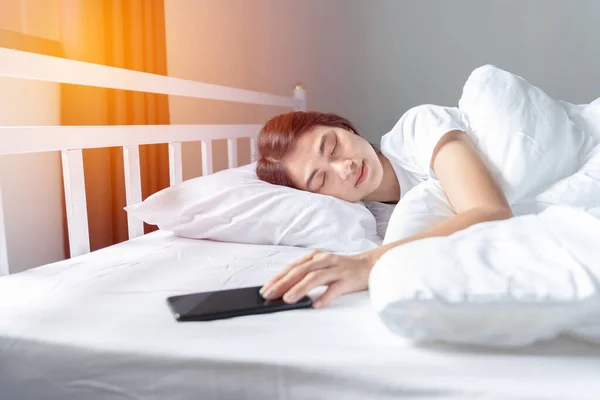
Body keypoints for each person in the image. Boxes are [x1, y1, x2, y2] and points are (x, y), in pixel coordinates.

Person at [257, 106, 513, 309]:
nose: (345, 168)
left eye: (333, 147)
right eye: (322, 179)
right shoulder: (374, 224)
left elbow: (491, 213)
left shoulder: (418, 128)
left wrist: (367, 264)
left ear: (344, 127)